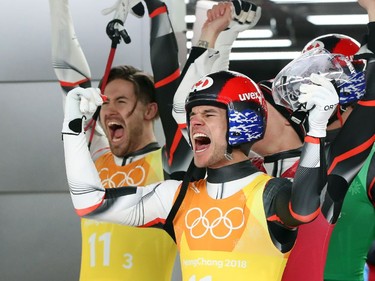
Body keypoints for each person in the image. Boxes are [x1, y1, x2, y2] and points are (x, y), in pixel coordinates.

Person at [172, 1, 375, 280]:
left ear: (286, 118)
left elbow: (368, 97)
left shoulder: (331, 162)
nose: (238, 119)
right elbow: (188, 104)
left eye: (258, 107)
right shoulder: (238, 168)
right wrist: (216, 34)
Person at [49, 0, 193, 280]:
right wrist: (58, 4)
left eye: (122, 101)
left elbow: (170, 78)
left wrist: (157, 8)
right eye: (106, 101)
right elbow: (68, 77)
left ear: (150, 110)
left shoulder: (171, 164)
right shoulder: (96, 155)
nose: (109, 110)